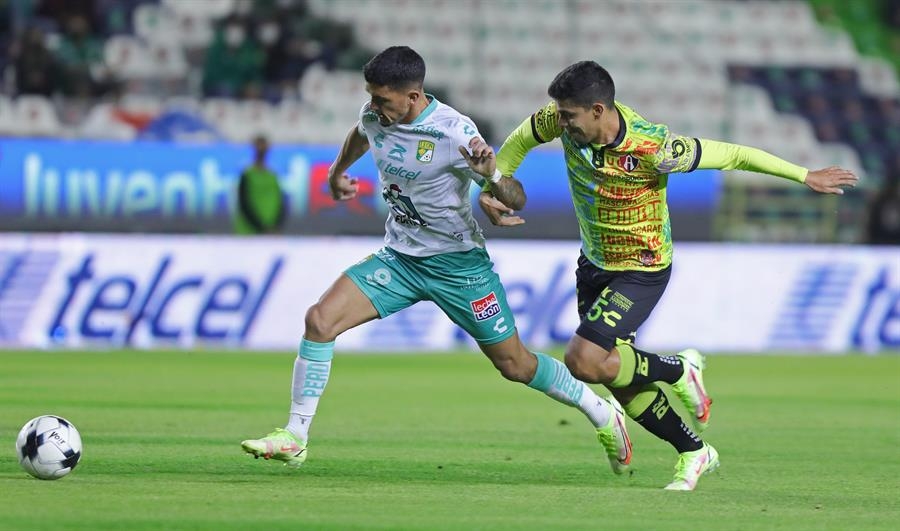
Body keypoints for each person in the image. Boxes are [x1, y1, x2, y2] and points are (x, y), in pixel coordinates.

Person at [241, 47, 633, 474]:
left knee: (515, 364)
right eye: (371, 97)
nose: (374, 106)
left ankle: (600, 411)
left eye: (383, 100)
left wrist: (493, 177)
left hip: (459, 266)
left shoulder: (454, 132)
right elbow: (361, 131)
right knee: (319, 321)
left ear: (413, 97)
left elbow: (517, 197)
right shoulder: (376, 116)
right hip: (400, 259)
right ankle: (295, 436)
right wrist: (337, 172)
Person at [481, 61, 859, 491]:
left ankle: (677, 369)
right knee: (612, 374)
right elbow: (518, 141)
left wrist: (803, 174)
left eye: (570, 116)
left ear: (599, 109)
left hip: (642, 267)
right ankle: (695, 451)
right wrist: (497, 184)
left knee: (583, 361)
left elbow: (733, 154)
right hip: (594, 263)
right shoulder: (562, 119)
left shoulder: (655, 147)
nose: (561, 123)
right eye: (560, 114)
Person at [235, 135, 286, 235]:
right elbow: (244, 204)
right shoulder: (247, 175)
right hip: (249, 232)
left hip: (269, 231)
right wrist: (261, 227)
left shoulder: (272, 176)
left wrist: (275, 226)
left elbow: (280, 203)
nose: (261, 150)